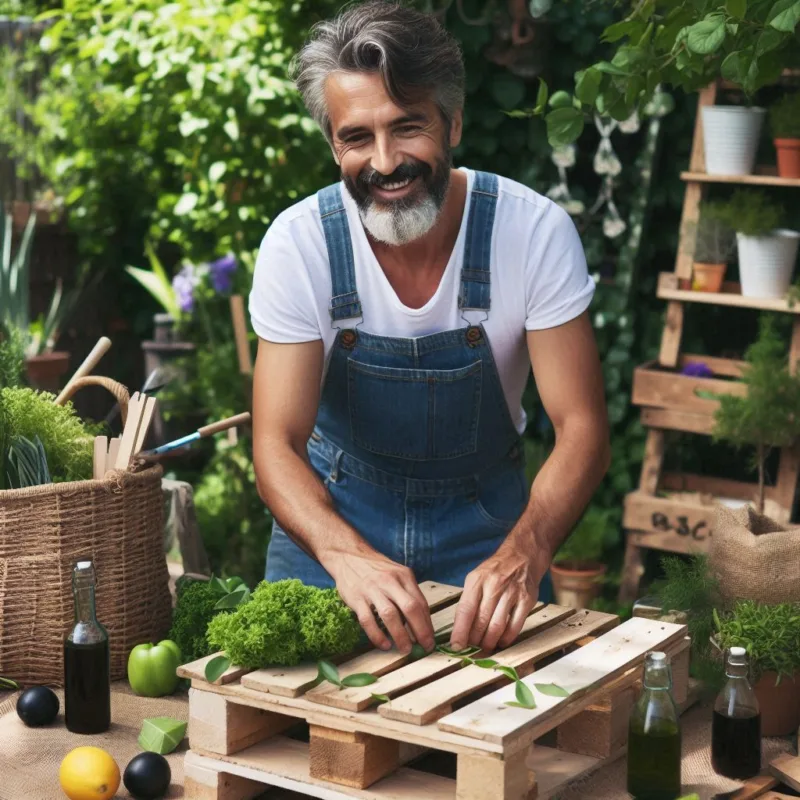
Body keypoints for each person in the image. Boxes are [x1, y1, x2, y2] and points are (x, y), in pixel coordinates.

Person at [249, 0, 610, 657]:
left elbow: (582, 427)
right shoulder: (299, 245)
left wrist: (525, 552)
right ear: (334, 143)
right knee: (293, 747)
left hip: (491, 536)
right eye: (357, 136)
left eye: (407, 126)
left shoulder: (531, 232)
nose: (385, 162)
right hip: (330, 528)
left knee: (512, 738)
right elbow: (275, 442)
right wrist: (344, 555)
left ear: (453, 124)